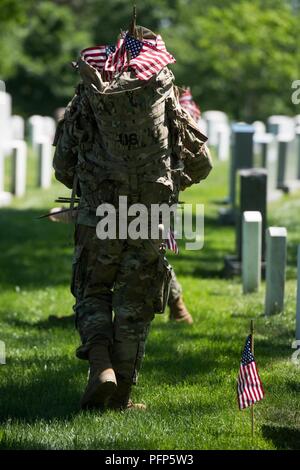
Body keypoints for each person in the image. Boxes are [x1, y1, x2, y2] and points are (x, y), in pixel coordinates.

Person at [52, 24, 212, 411]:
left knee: (93, 291)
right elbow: (201, 162)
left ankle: (100, 367)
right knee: (134, 303)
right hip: (149, 212)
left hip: (98, 211)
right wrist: (170, 186)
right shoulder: (163, 90)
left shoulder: (90, 93)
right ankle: (121, 396)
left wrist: (88, 184)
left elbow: (62, 163)